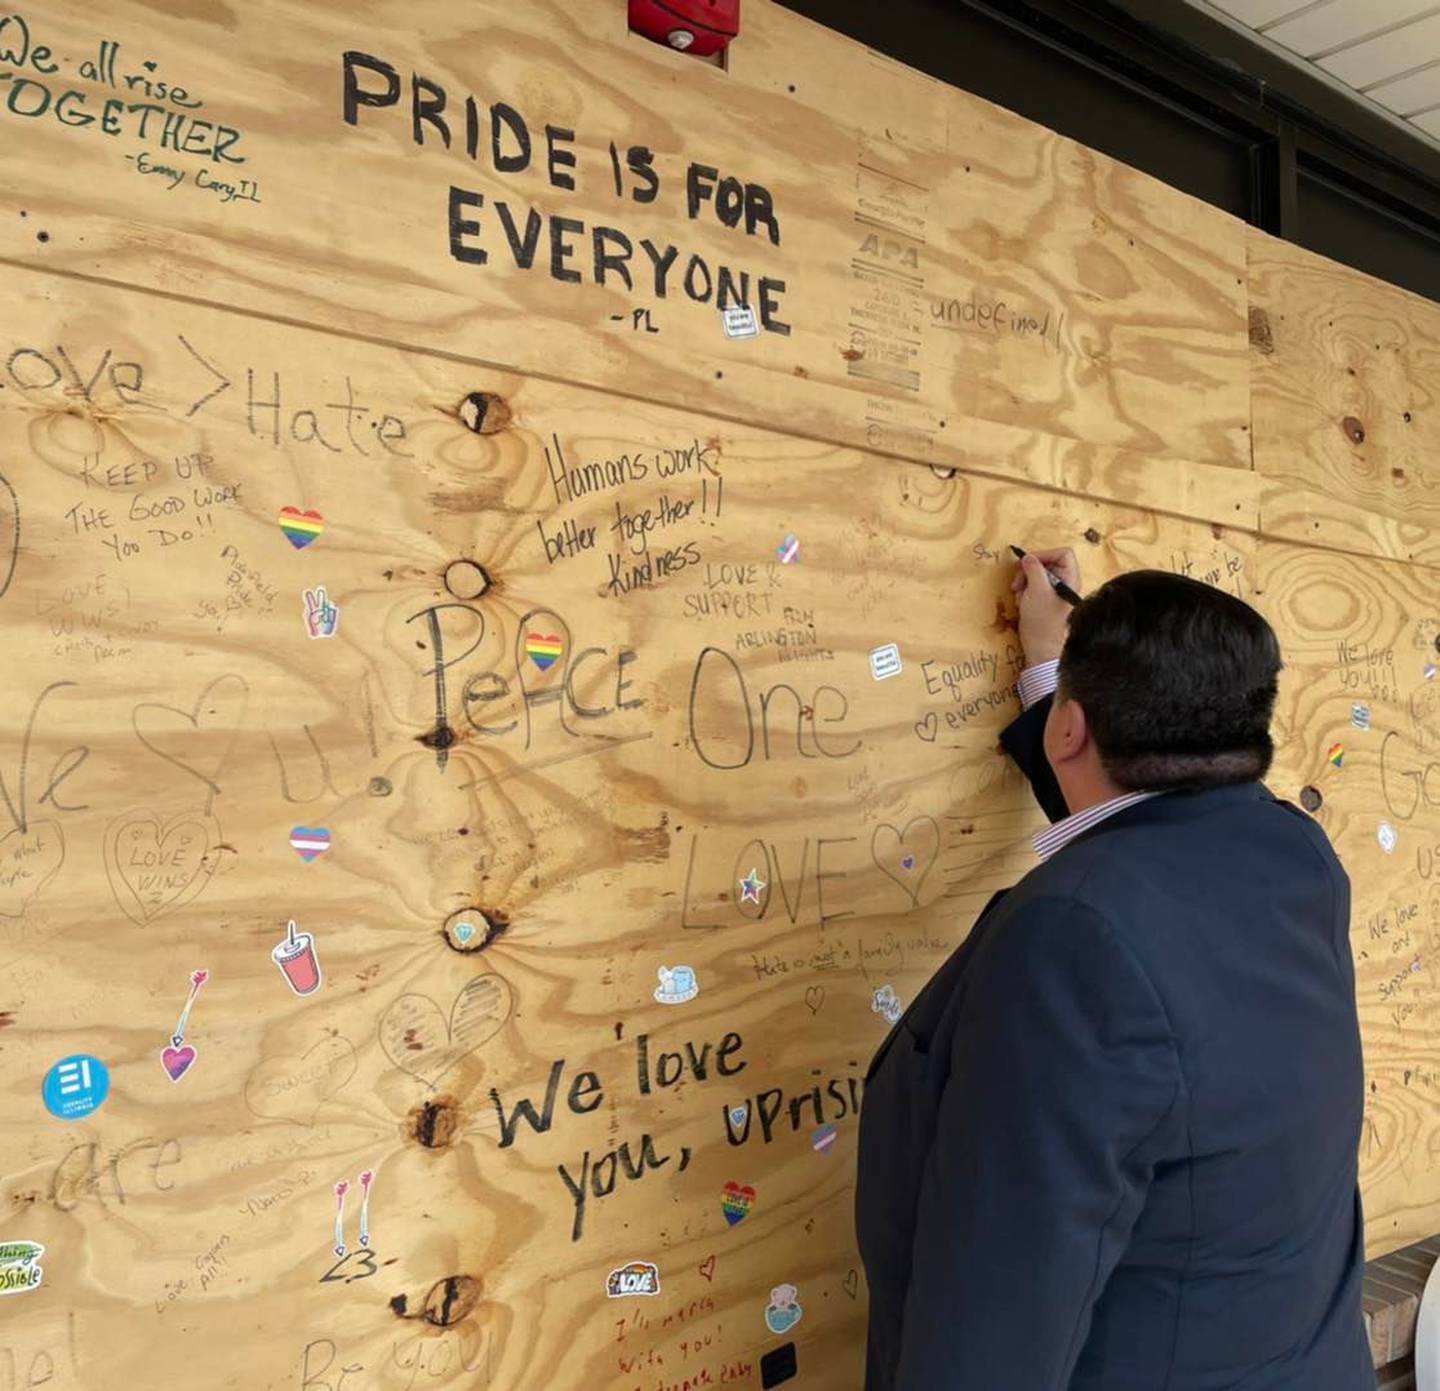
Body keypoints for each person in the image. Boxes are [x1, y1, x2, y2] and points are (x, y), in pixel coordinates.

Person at [855, 548, 1374, 1391]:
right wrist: (1060, 677)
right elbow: (1147, 839)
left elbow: (992, 1335)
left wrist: (1078, 694)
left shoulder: (1072, 939)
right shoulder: (1298, 858)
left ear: (1072, 731)